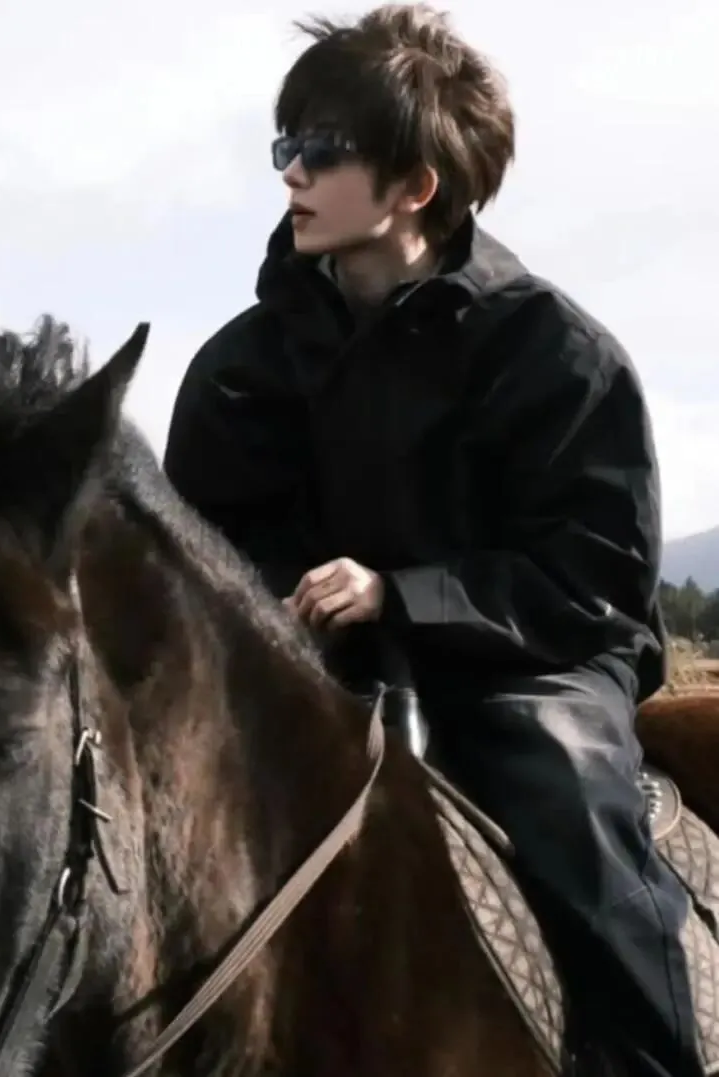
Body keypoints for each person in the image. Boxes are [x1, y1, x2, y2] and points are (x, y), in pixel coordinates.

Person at [161, 5, 705, 1076]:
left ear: (414, 186)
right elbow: (201, 552)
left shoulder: (559, 354)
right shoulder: (236, 367)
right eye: (285, 146)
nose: (291, 173)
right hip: (308, 668)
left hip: (526, 664)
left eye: (321, 151)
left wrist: (400, 595)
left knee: (572, 814)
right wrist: (273, 609)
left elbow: (594, 579)